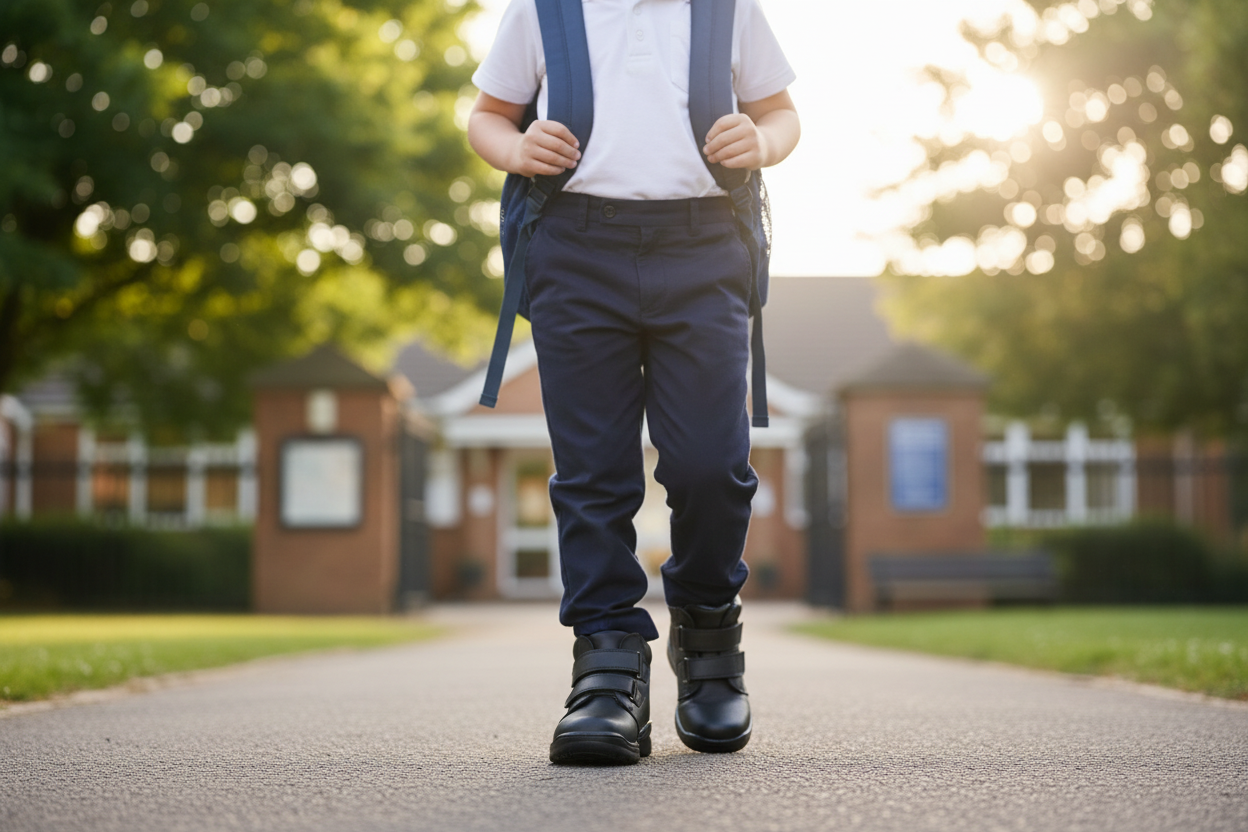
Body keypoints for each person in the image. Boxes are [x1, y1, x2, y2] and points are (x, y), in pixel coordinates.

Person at [467, 0, 799, 765]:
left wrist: (765, 140)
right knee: (593, 475)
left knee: (712, 465)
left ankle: (709, 632)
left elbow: (781, 112)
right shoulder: (543, 11)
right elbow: (486, 115)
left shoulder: (728, 11)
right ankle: (607, 667)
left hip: (706, 246)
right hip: (576, 250)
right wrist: (514, 147)